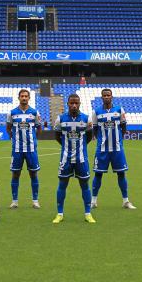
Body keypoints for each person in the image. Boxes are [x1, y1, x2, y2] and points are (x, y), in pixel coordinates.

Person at [52, 93, 96, 224]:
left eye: (76, 103)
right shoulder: (60, 119)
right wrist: (67, 148)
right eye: (71, 103)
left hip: (81, 159)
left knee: (84, 185)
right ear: (68, 104)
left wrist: (80, 148)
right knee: (62, 184)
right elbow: (57, 136)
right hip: (65, 159)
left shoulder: (86, 120)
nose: (74, 105)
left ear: (80, 104)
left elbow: (88, 137)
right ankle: (60, 213)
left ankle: (88, 213)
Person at [91, 88, 136, 210]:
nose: (106, 97)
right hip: (102, 149)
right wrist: (101, 140)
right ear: (101, 97)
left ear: (112, 97)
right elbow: (94, 130)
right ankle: (93, 201)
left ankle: (125, 201)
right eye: (104, 95)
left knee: (121, 174)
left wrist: (119, 140)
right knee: (98, 174)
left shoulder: (119, 110)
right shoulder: (96, 112)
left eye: (108, 95)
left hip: (117, 149)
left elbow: (123, 127)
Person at [7, 89, 42, 209]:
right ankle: (15, 201)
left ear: (29, 98)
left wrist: (33, 140)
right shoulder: (12, 113)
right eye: (22, 96)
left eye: (26, 96)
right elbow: (8, 128)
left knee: (33, 174)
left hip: (31, 149)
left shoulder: (34, 112)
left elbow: (38, 128)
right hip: (17, 150)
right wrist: (14, 139)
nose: (24, 98)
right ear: (18, 97)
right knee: (15, 174)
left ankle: (35, 200)